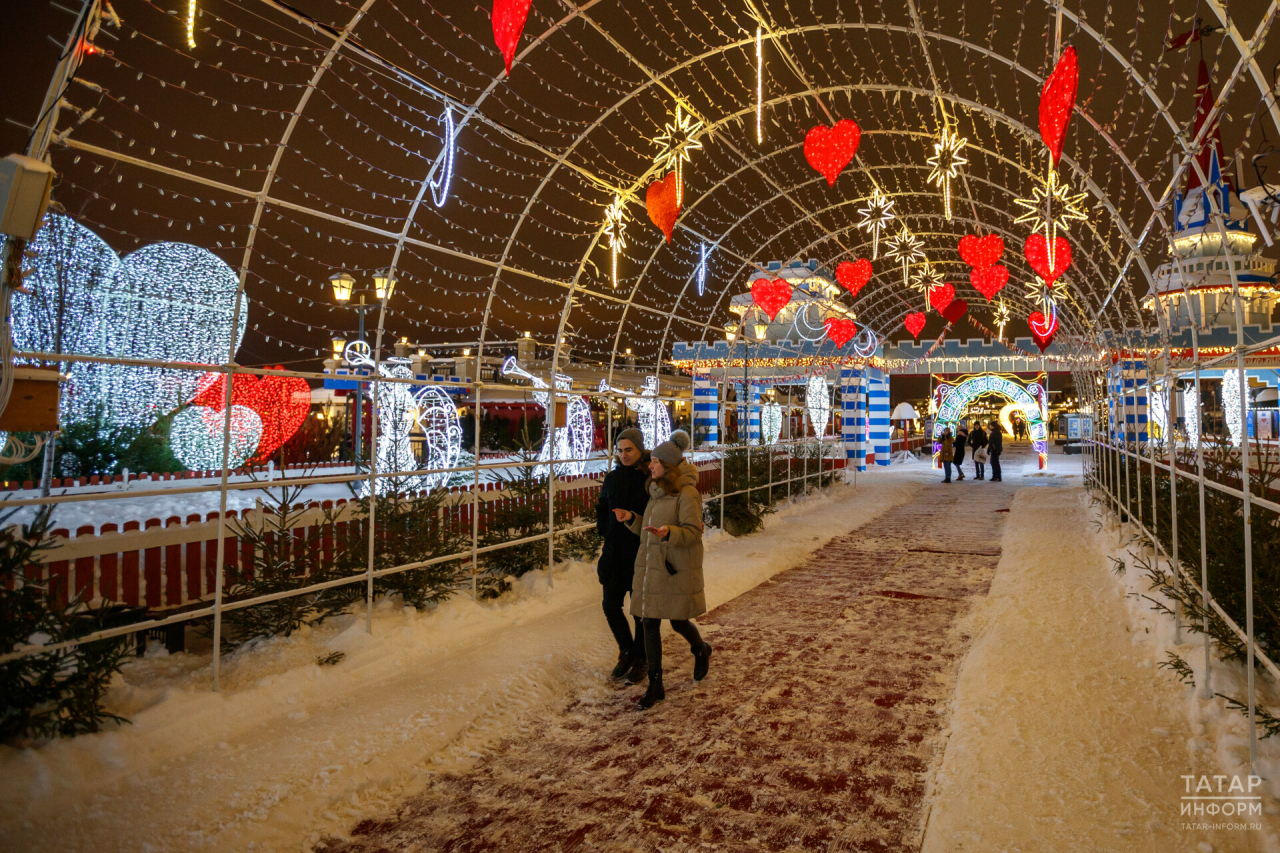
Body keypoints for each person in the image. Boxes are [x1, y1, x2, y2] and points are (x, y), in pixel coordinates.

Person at [612, 429, 711, 710]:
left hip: (675, 567)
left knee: (678, 621)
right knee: (649, 621)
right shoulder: (655, 491)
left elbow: (692, 531)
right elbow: (650, 527)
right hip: (653, 564)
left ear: (666, 466)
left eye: (654, 461)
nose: (649, 465)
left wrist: (669, 533)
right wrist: (631, 518)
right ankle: (656, 683)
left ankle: (701, 649)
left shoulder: (687, 493)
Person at [595, 429, 651, 683]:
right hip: (615, 551)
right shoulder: (612, 478)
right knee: (610, 605)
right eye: (620, 450)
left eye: (629, 449)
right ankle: (626, 649)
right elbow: (603, 510)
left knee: (639, 611)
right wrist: (605, 531)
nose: (624, 455)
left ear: (639, 449)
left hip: (639, 552)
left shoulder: (648, 479)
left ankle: (641, 657)